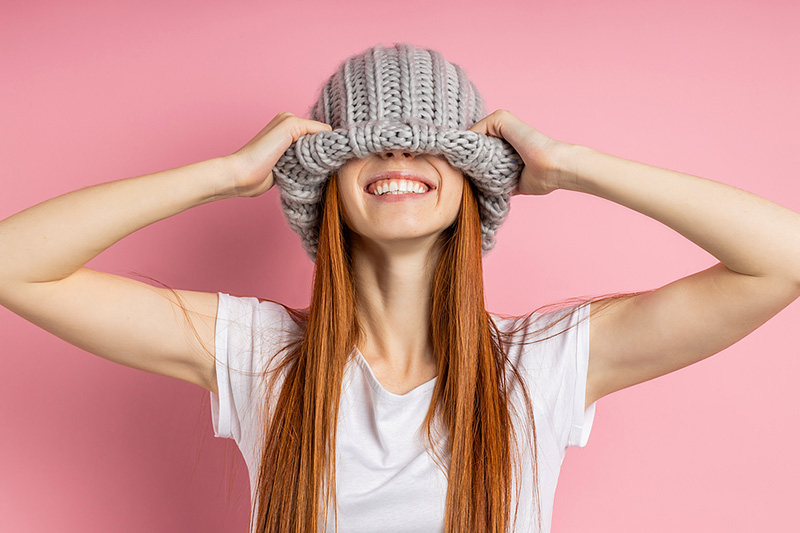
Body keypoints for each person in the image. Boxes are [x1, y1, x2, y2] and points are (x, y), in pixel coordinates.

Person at [1, 42, 798, 533]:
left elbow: (784, 260)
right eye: (369, 144)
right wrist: (224, 174)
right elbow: (13, 264)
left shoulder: (543, 362)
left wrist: (571, 165)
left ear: (471, 182)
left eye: (432, 144)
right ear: (328, 182)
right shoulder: (257, 352)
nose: (399, 156)